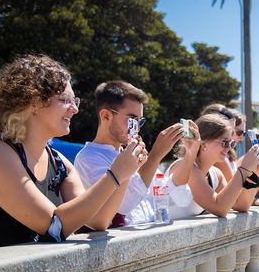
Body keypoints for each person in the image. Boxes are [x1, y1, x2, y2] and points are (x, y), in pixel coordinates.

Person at [0, 55, 145, 250]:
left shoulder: (59, 164)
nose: (75, 109)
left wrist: (124, 172)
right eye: (65, 100)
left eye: (75, 101)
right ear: (34, 102)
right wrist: (115, 174)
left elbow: (99, 220)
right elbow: (54, 226)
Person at [74, 81, 198, 226]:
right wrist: (156, 155)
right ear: (106, 116)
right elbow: (124, 206)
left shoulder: (136, 154)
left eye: (140, 121)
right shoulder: (88, 158)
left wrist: (190, 153)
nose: (137, 128)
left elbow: (177, 197)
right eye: (132, 120)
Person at [167, 114, 259, 218]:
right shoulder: (187, 168)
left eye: (231, 143)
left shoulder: (216, 174)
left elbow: (241, 205)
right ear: (203, 144)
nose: (229, 148)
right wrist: (244, 169)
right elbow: (220, 208)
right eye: (224, 143)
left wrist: (254, 172)